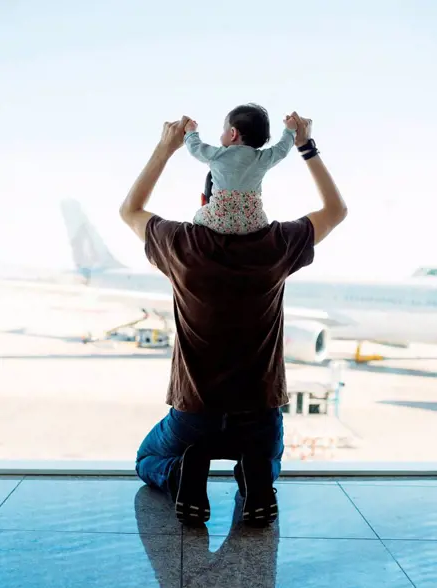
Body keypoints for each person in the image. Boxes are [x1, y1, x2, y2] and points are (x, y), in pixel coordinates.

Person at [120, 112, 347, 527]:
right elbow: (336, 210)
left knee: (149, 457)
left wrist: (166, 147)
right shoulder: (278, 243)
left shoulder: (181, 243)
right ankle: (254, 476)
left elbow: (130, 209)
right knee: (266, 456)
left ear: (207, 200)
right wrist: (305, 145)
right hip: (259, 410)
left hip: (195, 410)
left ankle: (180, 474)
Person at [184, 104, 296, 234]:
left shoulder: (218, 155)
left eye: (223, 130)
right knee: (263, 218)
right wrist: (290, 130)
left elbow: (195, 147)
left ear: (233, 133)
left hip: (219, 221)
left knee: (198, 217)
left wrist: (191, 131)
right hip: (254, 223)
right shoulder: (263, 158)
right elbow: (282, 149)